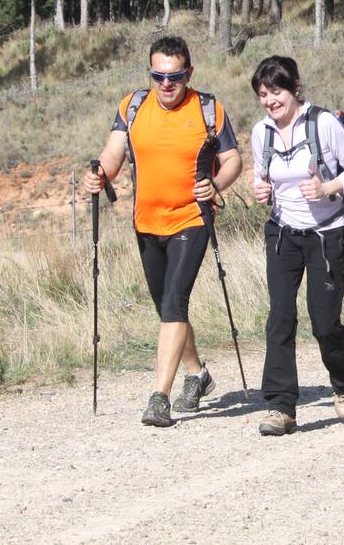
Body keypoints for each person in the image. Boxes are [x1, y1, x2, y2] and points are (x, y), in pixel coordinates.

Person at [84, 36, 242, 427]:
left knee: (174, 301)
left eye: (174, 77)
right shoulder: (133, 106)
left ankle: (160, 397)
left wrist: (217, 185)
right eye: (158, 76)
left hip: (192, 219)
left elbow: (233, 159)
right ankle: (197, 374)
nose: (166, 84)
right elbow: (113, 153)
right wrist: (100, 173)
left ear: (189, 73)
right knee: (166, 308)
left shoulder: (208, 109)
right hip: (146, 223)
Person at [250, 56, 344, 436]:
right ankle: (281, 406)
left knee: (325, 322)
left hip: (327, 234)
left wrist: (327, 188)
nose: (270, 101)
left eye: (276, 92)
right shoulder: (261, 133)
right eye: (263, 94)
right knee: (280, 318)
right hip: (283, 234)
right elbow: (262, 178)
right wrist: (261, 190)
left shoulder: (323, 123)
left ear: (295, 87)